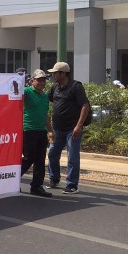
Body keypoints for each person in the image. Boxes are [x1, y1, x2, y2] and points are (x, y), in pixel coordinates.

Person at [46, 62, 91, 195]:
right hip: (57, 129)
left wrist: (79, 125)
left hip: (72, 129)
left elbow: (85, 106)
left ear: (63, 73)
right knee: (52, 154)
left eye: (55, 73)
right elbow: (46, 100)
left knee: (72, 157)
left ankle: (72, 184)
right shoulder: (55, 87)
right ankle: (54, 179)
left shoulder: (76, 86)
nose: (53, 75)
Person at [21, 69, 53, 198]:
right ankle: (12, 179)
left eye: (43, 80)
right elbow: (13, 91)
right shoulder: (27, 92)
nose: (42, 82)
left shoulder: (45, 96)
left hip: (41, 131)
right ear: (32, 81)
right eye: (39, 80)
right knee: (29, 157)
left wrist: (50, 130)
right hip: (28, 130)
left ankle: (36, 186)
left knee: (40, 159)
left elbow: (45, 115)